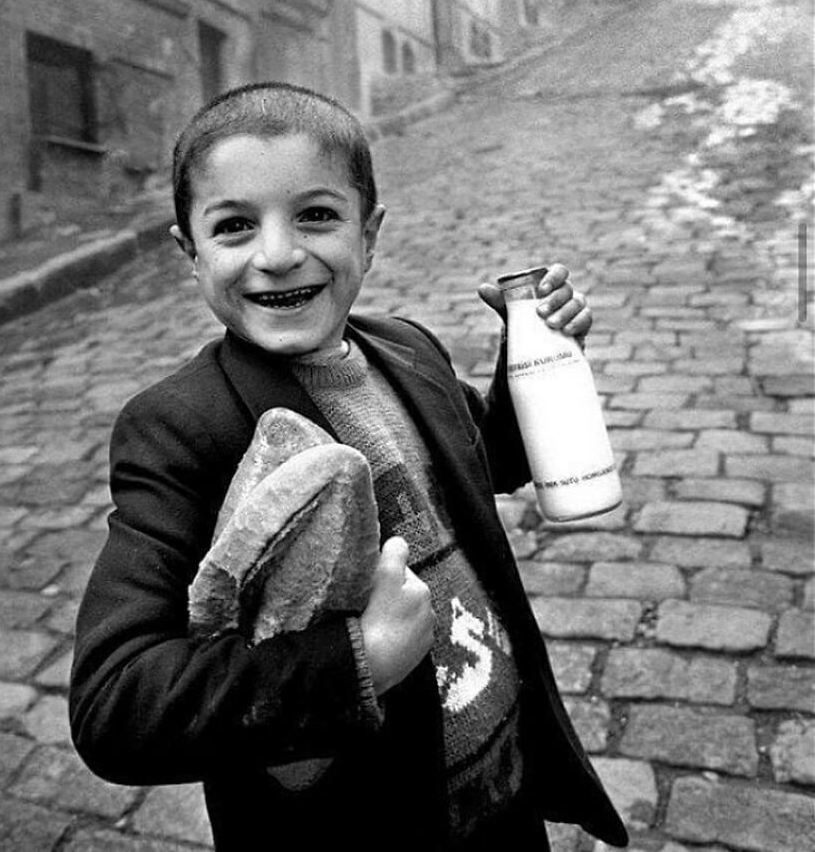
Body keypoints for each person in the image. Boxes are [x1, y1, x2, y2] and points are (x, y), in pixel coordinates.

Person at [70, 82, 628, 852]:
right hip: (360, 830)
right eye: (234, 226)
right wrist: (353, 662)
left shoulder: (409, 350)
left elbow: (484, 460)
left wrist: (534, 360)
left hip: (503, 791)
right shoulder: (182, 427)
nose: (278, 253)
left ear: (370, 234)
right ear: (188, 251)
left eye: (317, 215)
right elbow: (115, 702)